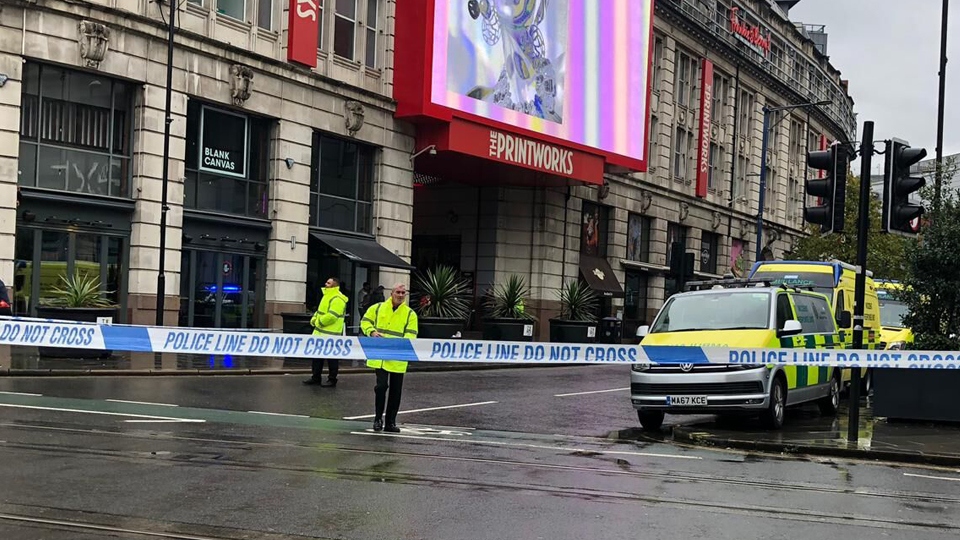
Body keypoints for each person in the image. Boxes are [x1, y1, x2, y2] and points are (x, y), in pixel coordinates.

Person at [360, 283, 418, 433]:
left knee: (395, 391)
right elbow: (365, 321)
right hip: (379, 356)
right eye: (398, 292)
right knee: (381, 387)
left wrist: (400, 344)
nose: (400, 295)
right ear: (391, 293)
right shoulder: (378, 308)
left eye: (403, 293)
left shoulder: (410, 314)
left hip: (398, 357)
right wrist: (371, 332)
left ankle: (390, 422)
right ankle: (378, 418)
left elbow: (411, 334)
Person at [303, 277, 348, 387]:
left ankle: (332, 379)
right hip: (319, 334)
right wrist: (314, 319)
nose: (325, 284)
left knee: (332, 359)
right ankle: (316, 377)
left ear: (334, 286)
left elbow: (332, 316)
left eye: (328, 283)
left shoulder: (338, 299)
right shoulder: (326, 296)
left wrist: (318, 322)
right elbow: (320, 311)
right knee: (317, 357)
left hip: (331, 335)